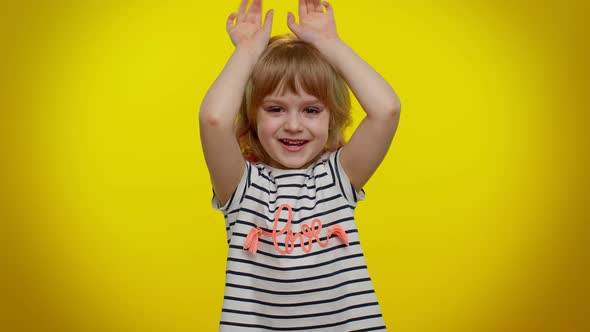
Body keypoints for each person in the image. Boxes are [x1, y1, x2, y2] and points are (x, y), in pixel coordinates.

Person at [199, 0, 401, 330]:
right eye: (275, 109)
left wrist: (330, 44)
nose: (294, 125)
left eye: (311, 110)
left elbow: (387, 110)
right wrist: (247, 52)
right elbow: (214, 119)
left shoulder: (337, 178)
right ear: (252, 116)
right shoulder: (241, 186)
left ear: (331, 117)